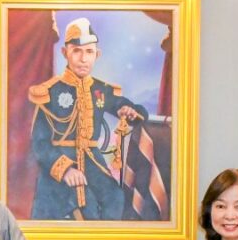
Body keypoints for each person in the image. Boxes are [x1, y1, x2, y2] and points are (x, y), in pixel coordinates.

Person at [28, 17, 148, 221]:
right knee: (86, 208)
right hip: (57, 166)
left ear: (96, 55)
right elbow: (39, 143)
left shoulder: (100, 89)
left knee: (115, 197)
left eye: (89, 52)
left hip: (92, 162)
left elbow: (123, 105)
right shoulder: (50, 92)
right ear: (65, 53)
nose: (83, 59)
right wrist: (66, 170)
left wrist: (129, 110)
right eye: (77, 51)